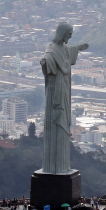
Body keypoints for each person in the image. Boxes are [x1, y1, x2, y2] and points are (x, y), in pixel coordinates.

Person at [40, 22, 89, 174]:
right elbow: (47, 58)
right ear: (62, 33)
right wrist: (45, 62)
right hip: (56, 92)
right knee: (56, 124)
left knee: (64, 126)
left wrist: (78, 47)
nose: (70, 37)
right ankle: (53, 167)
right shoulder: (52, 50)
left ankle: (62, 167)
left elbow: (68, 50)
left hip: (64, 91)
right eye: (69, 34)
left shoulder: (62, 48)